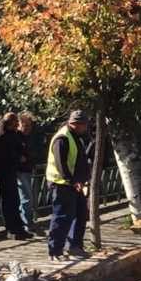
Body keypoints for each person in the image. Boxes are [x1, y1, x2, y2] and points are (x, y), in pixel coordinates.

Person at [46, 110, 91, 261]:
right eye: (84, 125)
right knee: (62, 217)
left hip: (75, 185)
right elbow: (61, 164)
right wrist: (72, 181)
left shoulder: (76, 137)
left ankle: (74, 246)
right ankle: (55, 251)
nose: (86, 128)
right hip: (62, 185)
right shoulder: (62, 138)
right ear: (75, 124)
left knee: (80, 214)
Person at [0, 112, 33, 240]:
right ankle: (11, 229)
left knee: (15, 201)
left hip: (11, 171)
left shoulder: (12, 135)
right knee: (8, 202)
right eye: (15, 122)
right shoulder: (1, 136)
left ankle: (19, 228)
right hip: (4, 173)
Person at [16, 113, 36, 233]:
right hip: (20, 171)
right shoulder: (16, 137)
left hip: (27, 170)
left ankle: (26, 223)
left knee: (27, 198)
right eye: (25, 125)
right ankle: (28, 225)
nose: (28, 127)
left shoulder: (24, 138)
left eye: (30, 125)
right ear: (18, 125)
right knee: (26, 198)